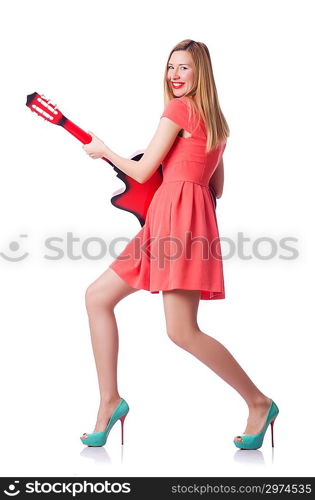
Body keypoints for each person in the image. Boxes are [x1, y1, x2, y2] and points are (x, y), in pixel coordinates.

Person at [80, 39, 279, 449]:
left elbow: (141, 168)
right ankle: (109, 401)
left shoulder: (177, 110)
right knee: (98, 297)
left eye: (184, 68)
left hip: (176, 223)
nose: (174, 75)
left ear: (200, 72)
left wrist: (104, 151)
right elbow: (216, 187)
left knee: (182, 331)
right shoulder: (217, 122)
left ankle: (259, 403)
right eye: (171, 67)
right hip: (183, 219)